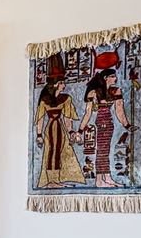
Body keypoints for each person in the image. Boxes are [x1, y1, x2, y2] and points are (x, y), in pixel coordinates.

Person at [78, 52, 129, 187]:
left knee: (104, 150)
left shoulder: (115, 91)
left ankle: (105, 178)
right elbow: (88, 113)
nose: (115, 79)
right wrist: (80, 130)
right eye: (112, 77)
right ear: (106, 78)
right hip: (101, 121)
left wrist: (126, 125)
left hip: (109, 121)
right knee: (102, 150)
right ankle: (100, 180)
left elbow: (119, 109)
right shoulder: (94, 92)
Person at [34, 53, 84, 188]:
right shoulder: (45, 100)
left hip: (60, 127)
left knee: (59, 151)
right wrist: (39, 135)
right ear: (55, 84)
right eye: (61, 83)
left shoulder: (66, 99)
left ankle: (57, 180)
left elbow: (67, 117)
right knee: (52, 152)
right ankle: (52, 181)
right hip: (50, 128)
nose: (63, 85)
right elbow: (40, 118)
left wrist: (71, 132)